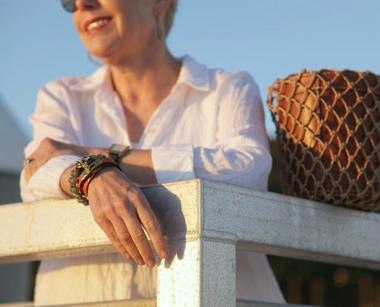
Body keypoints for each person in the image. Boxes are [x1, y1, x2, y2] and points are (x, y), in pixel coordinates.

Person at [21, 0, 285, 304]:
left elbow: (247, 171)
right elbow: (34, 176)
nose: (82, 4)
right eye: (69, 0)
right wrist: (92, 178)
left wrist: (96, 159)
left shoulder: (227, 89)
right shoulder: (61, 97)